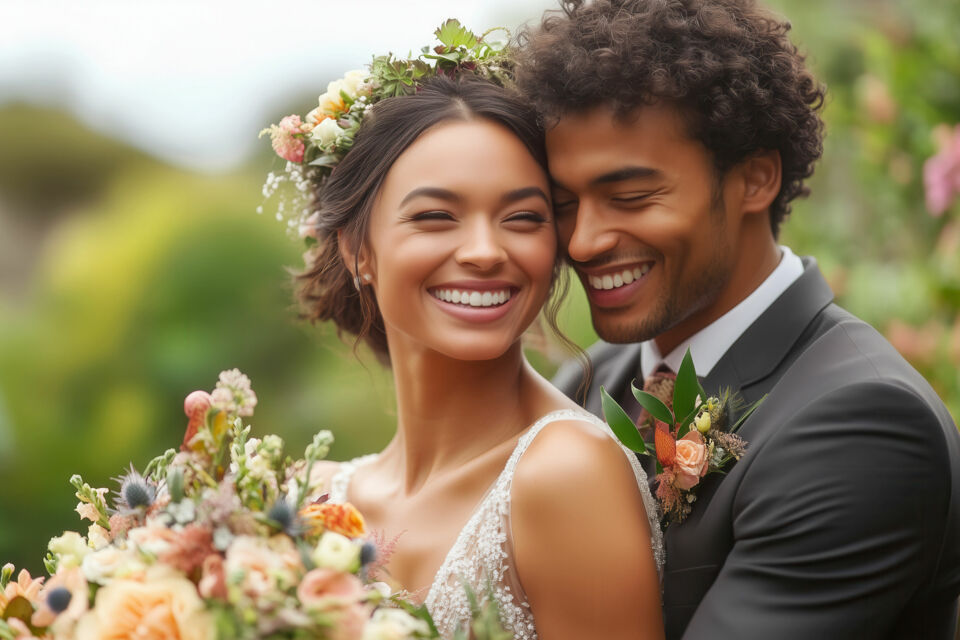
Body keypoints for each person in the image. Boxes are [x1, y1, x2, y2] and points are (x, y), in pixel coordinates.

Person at [515, 0, 960, 638]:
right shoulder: (585, 387)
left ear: (755, 179)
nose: (582, 243)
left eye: (632, 197)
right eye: (563, 204)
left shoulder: (864, 424)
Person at [300, 75, 664, 639]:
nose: (485, 252)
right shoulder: (312, 495)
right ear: (357, 249)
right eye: (436, 217)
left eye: (522, 219)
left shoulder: (566, 474)